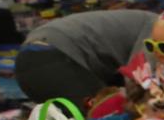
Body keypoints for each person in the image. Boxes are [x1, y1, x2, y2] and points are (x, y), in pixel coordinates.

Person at [15, 7, 155, 103]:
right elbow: (139, 80)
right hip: (55, 56)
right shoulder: (162, 28)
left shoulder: (146, 21)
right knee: (106, 119)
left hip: (29, 59)